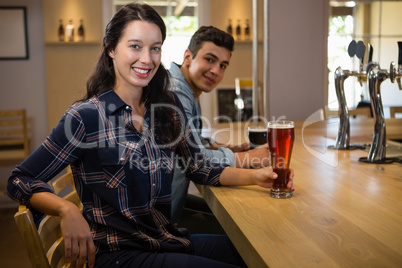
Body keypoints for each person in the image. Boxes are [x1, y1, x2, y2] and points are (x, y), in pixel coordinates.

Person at [7, 3, 294, 268]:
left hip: (165, 241)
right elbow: (20, 178)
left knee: (265, 253)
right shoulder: (87, 116)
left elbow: (201, 168)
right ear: (111, 49)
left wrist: (259, 177)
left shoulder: (167, 107)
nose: (147, 59)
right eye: (135, 46)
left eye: (155, 48)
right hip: (120, 255)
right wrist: (65, 209)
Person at [169, 26, 273, 224]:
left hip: (171, 213)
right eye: (209, 59)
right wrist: (247, 157)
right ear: (188, 57)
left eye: (223, 65)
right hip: (162, 227)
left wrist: (221, 149)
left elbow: (186, 144)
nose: (216, 71)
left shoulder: (186, 88)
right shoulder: (176, 91)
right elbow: (196, 163)